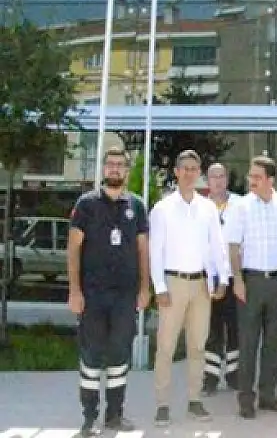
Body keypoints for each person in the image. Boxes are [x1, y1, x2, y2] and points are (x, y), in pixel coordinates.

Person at [67, 147, 150, 437]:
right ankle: (89, 418)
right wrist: (74, 291)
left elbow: (143, 249)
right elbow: (73, 249)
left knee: (119, 355)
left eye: (120, 165)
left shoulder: (136, 205)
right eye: (110, 164)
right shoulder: (86, 204)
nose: (115, 168)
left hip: (125, 296)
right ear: (103, 168)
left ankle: (115, 414)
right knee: (91, 357)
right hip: (92, 294)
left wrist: (145, 288)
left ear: (126, 170)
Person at [149, 149, 230, 426]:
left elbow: (217, 245)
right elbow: (155, 251)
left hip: (201, 285)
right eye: (185, 168)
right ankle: (162, 404)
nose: (189, 173)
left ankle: (195, 400)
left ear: (199, 173)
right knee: (166, 347)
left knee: (197, 345)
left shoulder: (207, 208)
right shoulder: (162, 209)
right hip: (173, 283)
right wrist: (159, 286)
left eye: (194, 169)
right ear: (176, 172)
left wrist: (223, 278)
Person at [225, 155, 277, 419]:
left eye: (257, 176)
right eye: (251, 176)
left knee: (274, 342)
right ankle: (246, 399)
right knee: (248, 343)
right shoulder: (241, 206)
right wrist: (237, 279)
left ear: (270, 180)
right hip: (251, 282)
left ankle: (268, 395)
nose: (252, 180)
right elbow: (233, 246)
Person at [202, 163, 241, 396]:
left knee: (236, 327)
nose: (217, 181)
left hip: (234, 275)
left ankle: (234, 375)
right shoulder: (200, 206)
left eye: (221, 176)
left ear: (227, 179)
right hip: (210, 277)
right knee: (211, 328)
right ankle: (211, 377)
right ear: (207, 181)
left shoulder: (240, 204)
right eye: (213, 177)